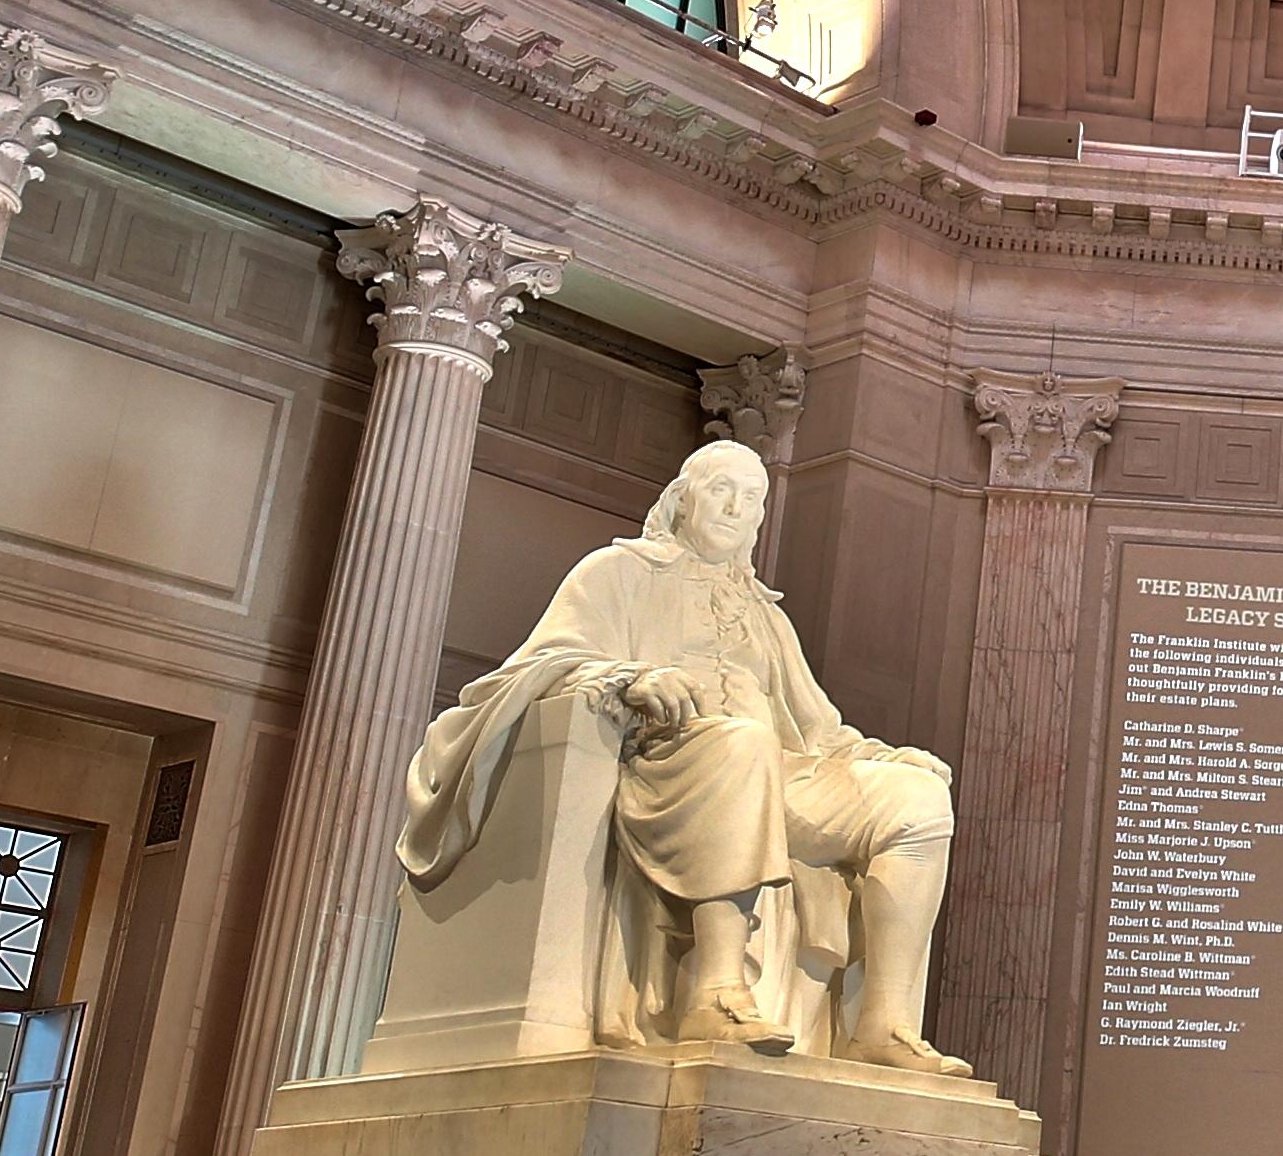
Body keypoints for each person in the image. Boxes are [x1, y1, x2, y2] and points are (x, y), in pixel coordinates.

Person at [395, 440, 966, 1070]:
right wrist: (625, 676)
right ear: (682, 497)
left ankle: (884, 1026)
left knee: (916, 801)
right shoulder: (618, 574)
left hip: (774, 773)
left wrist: (889, 759)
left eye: (752, 498)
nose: (735, 506)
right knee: (741, 743)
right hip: (661, 762)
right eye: (722, 488)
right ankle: (717, 989)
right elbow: (542, 663)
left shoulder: (765, 616)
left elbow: (818, 728)